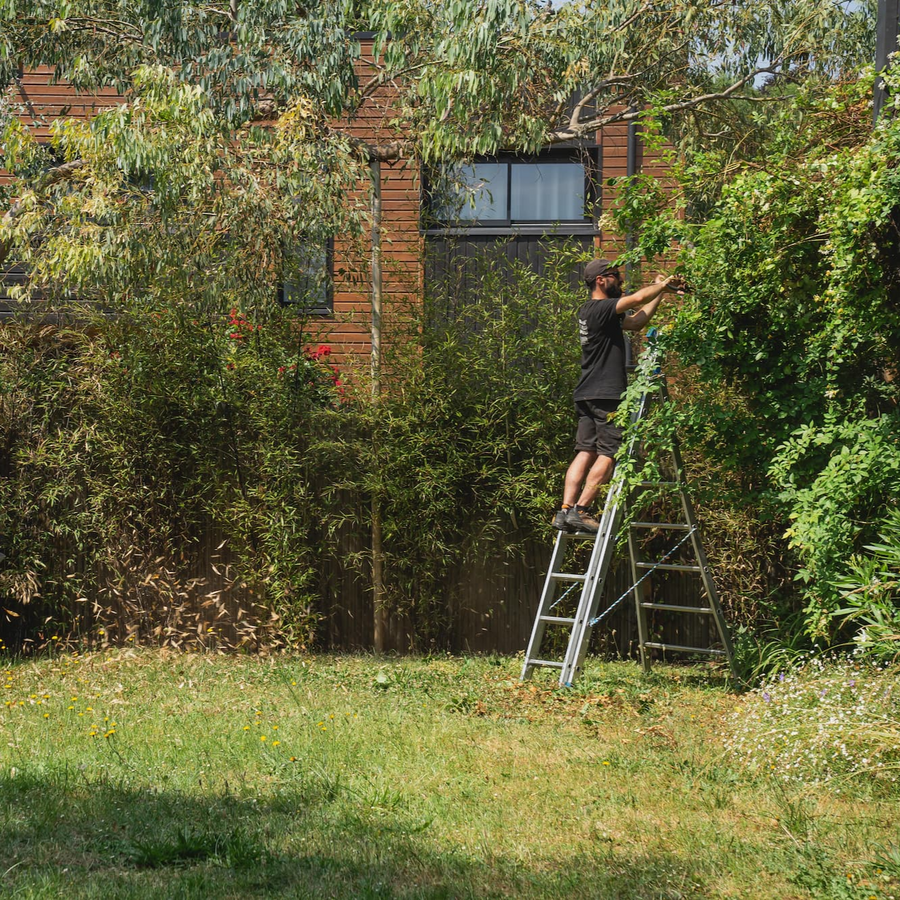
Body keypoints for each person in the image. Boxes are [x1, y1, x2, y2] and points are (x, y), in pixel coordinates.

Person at [553, 259, 681, 534]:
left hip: (587, 392)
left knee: (585, 451)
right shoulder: (601, 308)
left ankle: (564, 510)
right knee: (610, 453)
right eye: (615, 276)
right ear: (600, 280)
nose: (620, 280)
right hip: (606, 393)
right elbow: (635, 298)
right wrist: (661, 284)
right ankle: (582, 510)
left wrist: (661, 292)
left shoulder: (593, 312)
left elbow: (636, 322)